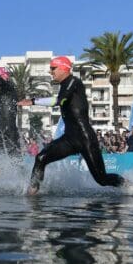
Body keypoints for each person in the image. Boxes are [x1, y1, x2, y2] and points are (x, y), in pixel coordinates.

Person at [17, 56, 124, 194]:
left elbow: (60, 100)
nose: (50, 71)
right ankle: (32, 192)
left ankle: (128, 185)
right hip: (69, 139)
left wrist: (33, 101)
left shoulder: (74, 81)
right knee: (41, 158)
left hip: (86, 139)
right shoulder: (63, 85)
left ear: (63, 68)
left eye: (53, 68)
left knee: (102, 179)